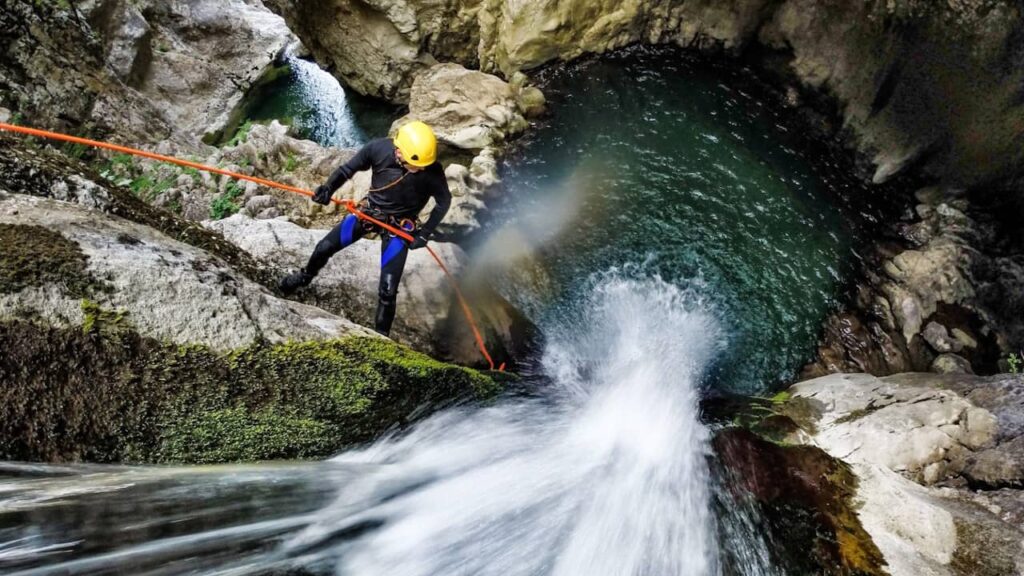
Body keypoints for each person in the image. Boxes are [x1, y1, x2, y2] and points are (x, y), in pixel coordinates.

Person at [279, 120, 451, 336]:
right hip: (369, 213)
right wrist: (328, 189)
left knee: (387, 292)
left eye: (423, 165)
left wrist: (425, 233)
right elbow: (347, 169)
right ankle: (304, 277)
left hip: (399, 227)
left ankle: (381, 339)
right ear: (399, 151)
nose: (421, 169)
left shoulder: (432, 171)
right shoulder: (378, 149)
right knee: (324, 247)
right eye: (415, 164)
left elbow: (444, 201)